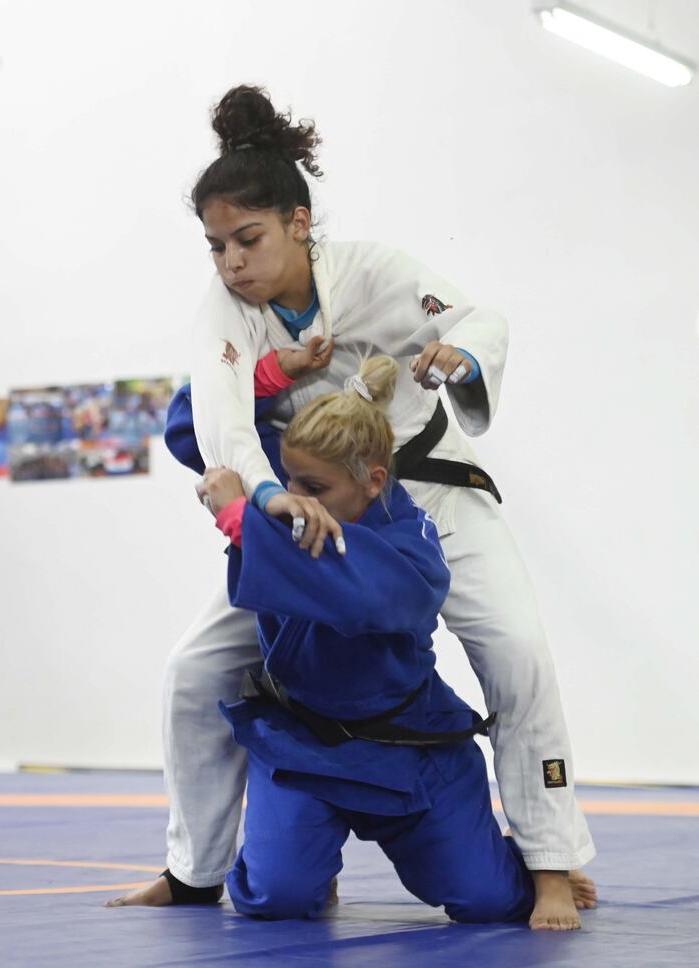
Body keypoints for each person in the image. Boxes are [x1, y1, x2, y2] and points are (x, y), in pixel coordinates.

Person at [108, 85, 596, 930]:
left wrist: (459, 353)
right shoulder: (224, 316)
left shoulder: (377, 272)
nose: (231, 261)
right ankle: (193, 871)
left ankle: (550, 862)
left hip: (426, 486)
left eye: (248, 238)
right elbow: (217, 420)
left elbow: (479, 317)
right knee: (195, 671)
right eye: (216, 245)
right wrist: (264, 483)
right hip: (308, 512)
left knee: (515, 649)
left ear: (299, 222)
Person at [200, 355, 536, 921]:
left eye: (315, 487)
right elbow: (194, 418)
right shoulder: (285, 500)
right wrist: (270, 375)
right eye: (287, 479)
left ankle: (525, 865)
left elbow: (358, 596)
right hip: (303, 744)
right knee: (276, 896)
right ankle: (310, 862)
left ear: (373, 481)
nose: (296, 495)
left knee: (490, 902)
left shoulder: (414, 546)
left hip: (408, 748)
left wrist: (240, 518)